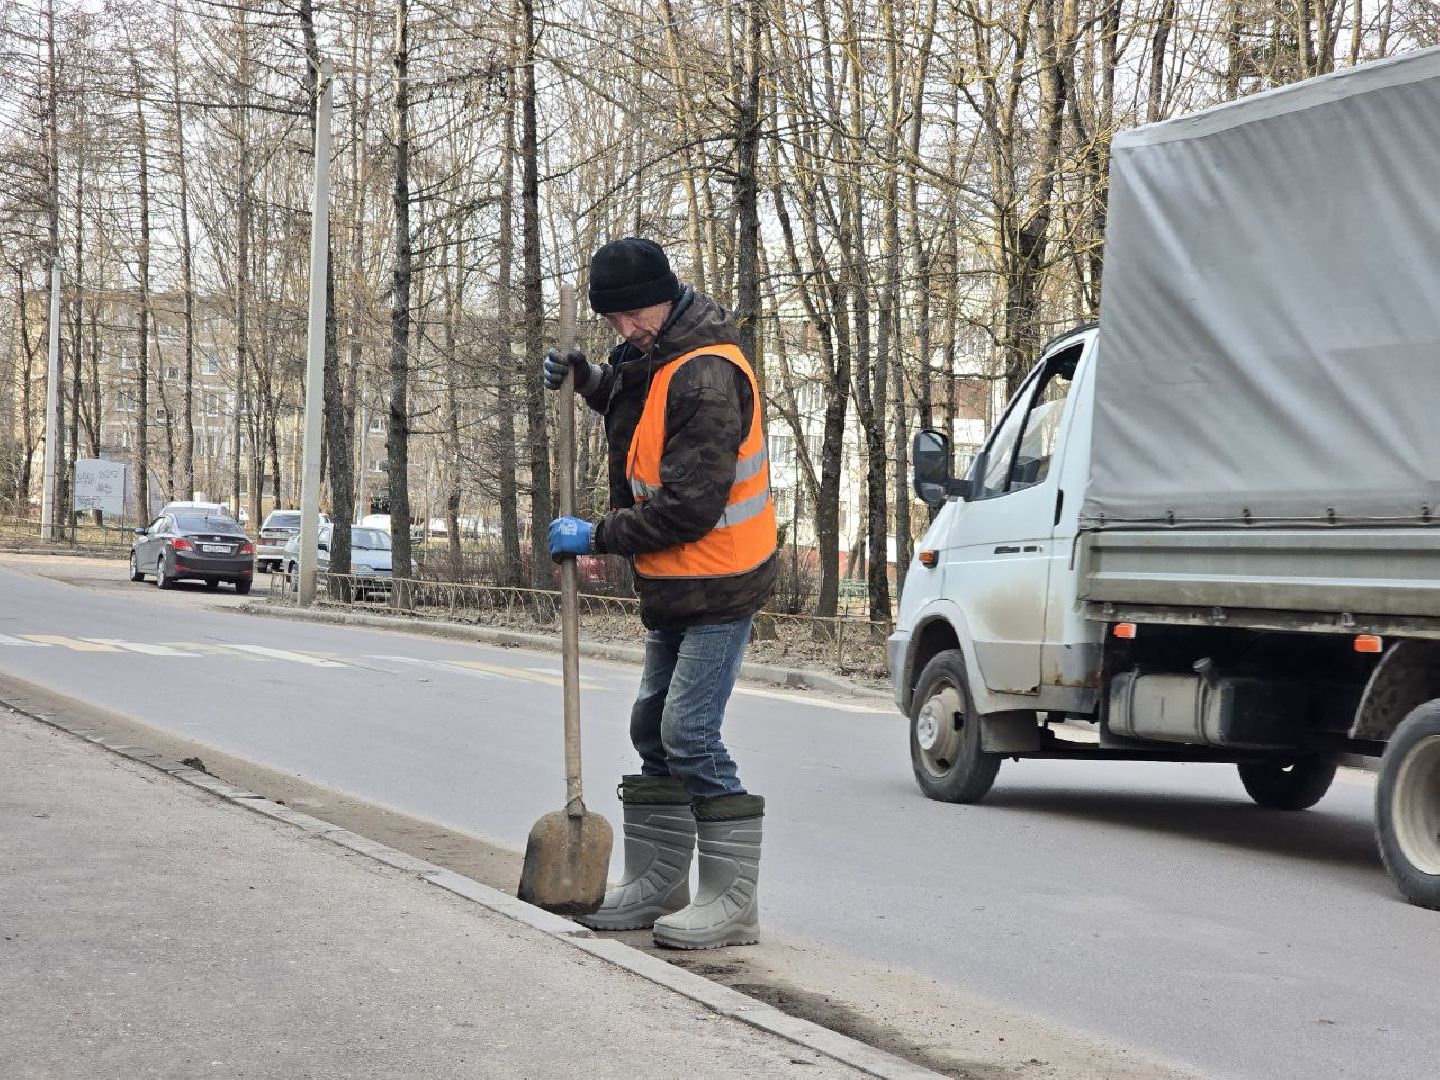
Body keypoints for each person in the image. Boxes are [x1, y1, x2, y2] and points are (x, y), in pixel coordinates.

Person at [543, 237, 777, 949]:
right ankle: (657, 885)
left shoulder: (706, 374)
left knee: (688, 733)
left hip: (721, 577)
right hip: (676, 580)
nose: (623, 332)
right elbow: (629, 401)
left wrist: (599, 535)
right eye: (610, 323)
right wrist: (587, 378)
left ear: (665, 296)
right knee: (653, 729)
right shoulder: (654, 351)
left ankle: (732, 905)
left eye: (630, 317)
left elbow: (690, 507)